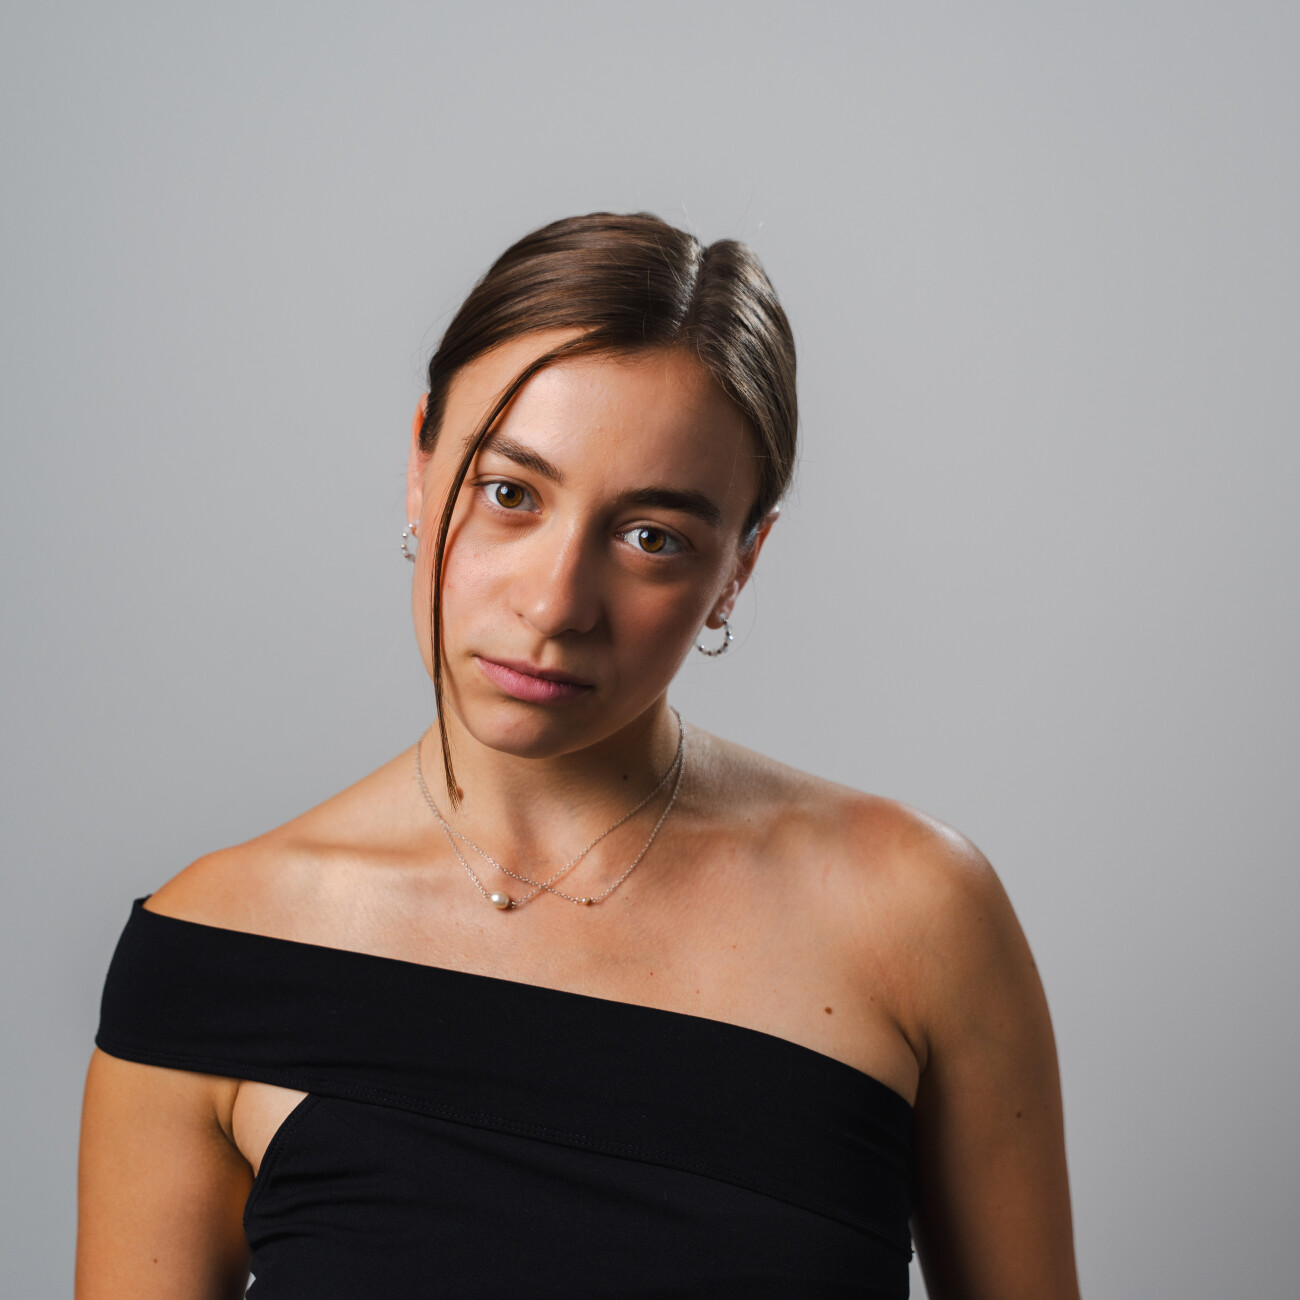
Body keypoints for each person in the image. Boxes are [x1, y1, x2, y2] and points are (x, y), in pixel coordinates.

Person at [77, 212, 1081, 1298]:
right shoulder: (213, 952)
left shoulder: (914, 916)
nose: (556, 606)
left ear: (740, 566)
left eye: (652, 537)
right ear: (420, 467)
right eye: (509, 493)